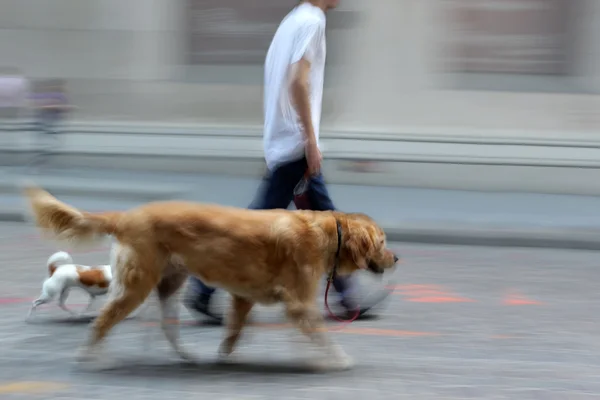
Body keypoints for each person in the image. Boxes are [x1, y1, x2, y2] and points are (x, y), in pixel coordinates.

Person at [185, 0, 390, 323]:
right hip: (295, 148)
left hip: (284, 145)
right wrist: (310, 141)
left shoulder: (291, 22)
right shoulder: (312, 22)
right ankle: (201, 287)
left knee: (321, 225)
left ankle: (347, 297)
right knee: (274, 230)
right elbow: (298, 81)